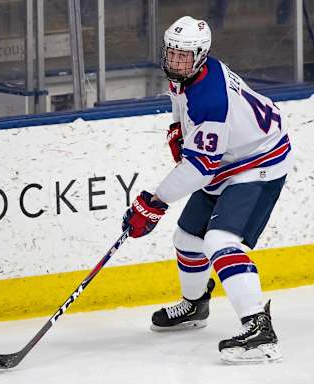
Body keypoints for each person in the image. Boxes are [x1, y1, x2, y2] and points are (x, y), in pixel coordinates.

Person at [122, 16, 292, 364]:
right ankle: (195, 306)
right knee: (187, 238)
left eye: (184, 56)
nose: (175, 61)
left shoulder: (212, 99)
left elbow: (200, 168)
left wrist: (154, 203)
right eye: (171, 53)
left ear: (200, 55)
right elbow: (179, 102)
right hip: (228, 156)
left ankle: (259, 328)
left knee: (219, 241)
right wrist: (175, 128)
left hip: (258, 162)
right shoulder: (187, 73)